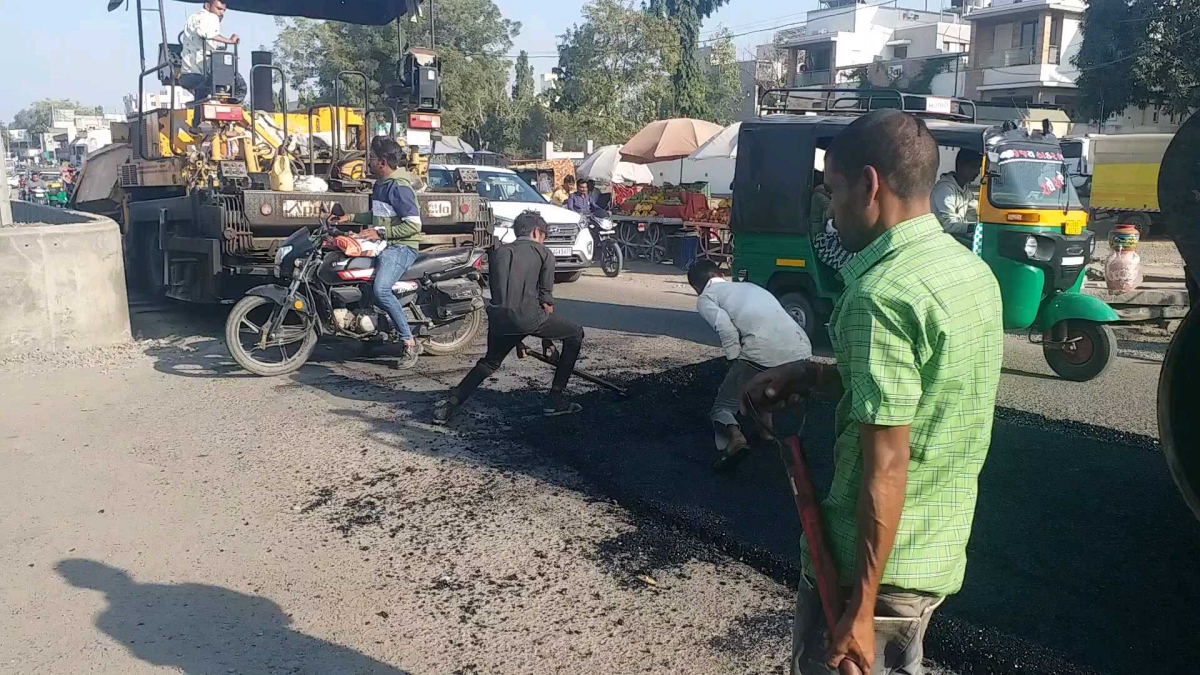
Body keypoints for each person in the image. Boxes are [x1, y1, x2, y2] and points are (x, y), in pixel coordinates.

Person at [742, 109, 1003, 675]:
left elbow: (885, 467)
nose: (830, 213)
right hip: (932, 547)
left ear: (869, 184)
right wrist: (813, 375)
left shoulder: (879, 296)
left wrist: (859, 609)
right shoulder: (969, 273)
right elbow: (925, 388)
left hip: (871, 577)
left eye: (833, 192)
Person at [434, 211, 585, 423]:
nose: (544, 240)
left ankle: (449, 407)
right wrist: (548, 342)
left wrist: (517, 339)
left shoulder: (500, 253)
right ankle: (555, 399)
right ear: (536, 232)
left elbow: (505, 298)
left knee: (488, 364)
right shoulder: (544, 254)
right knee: (575, 334)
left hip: (499, 320)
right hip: (530, 317)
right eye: (545, 235)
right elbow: (545, 299)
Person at [688, 260, 812, 471]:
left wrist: (734, 359)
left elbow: (725, 329)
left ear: (697, 287)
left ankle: (736, 439)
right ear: (720, 274)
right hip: (801, 349)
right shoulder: (749, 286)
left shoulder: (706, 298)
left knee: (724, 406)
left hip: (762, 352)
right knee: (761, 386)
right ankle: (766, 433)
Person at [333, 136, 423, 365]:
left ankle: (409, 342)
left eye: (370, 157)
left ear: (382, 162)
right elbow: (376, 216)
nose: (367, 161)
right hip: (384, 244)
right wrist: (349, 218)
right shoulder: (381, 184)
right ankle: (375, 330)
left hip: (401, 247)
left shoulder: (399, 187)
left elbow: (414, 225)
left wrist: (381, 234)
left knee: (381, 290)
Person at [179, 0, 246, 105]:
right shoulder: (210, 17)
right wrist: (230, 41)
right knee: (239, 84)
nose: (222, 13)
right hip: (200, 74)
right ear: (207, 6)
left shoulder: (193, 18)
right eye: (219, 9)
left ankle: (199, 111)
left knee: (212, 77)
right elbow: (207, 34)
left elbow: (201, 38)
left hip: (187, 74)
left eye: (224, 10)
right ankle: (233, 100)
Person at [930, 149, 981, 236]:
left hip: (953, 236)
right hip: (940, 237)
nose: (977, 172)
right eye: (973, 167)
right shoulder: (945, 190)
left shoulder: (965, 191)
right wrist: (976, 227)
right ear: (960, 165)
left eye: (978, 168)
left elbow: (975, 213)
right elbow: (948, 225)